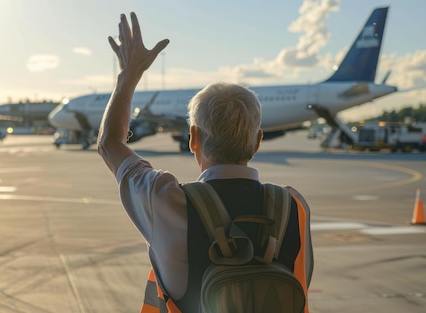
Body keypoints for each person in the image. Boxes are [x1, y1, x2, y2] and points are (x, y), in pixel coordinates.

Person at [98, 12, 313, 312]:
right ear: (258, 141)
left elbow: (109, 144)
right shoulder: (295, 207)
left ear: (193, 138)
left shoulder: (166, 200)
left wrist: (128, 74)